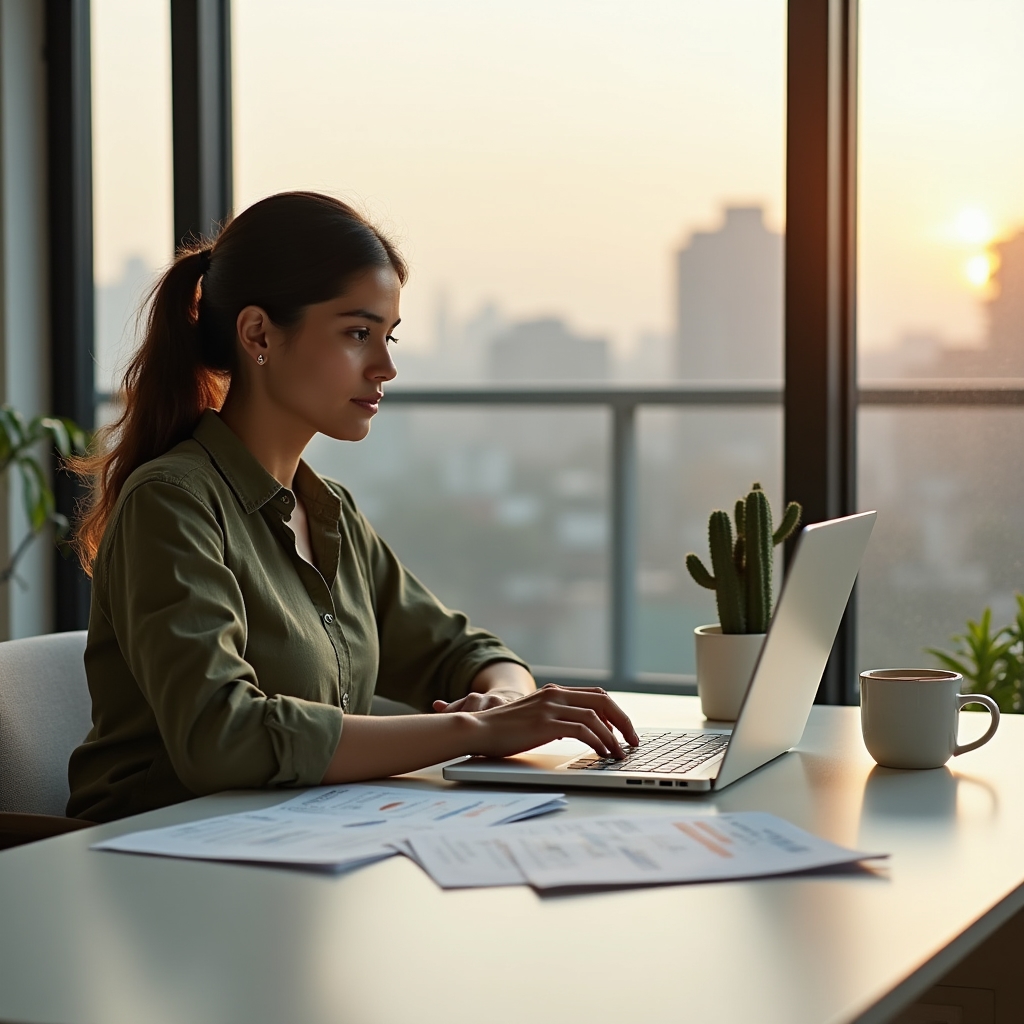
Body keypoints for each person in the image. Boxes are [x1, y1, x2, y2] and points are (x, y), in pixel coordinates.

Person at [67, 191, 638, 823]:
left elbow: (462, 652)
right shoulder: (172, 504)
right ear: (258, 332)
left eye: (388, 336)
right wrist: (470, 735)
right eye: (357, 334)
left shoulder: (327, 509)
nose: (386, 367)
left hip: (302, 845)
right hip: (153, 862)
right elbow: (222, 739)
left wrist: (503, 700)